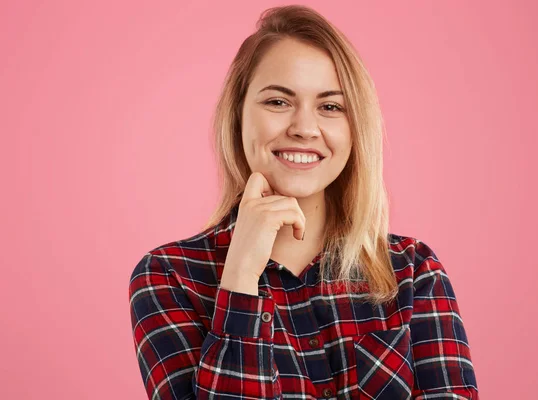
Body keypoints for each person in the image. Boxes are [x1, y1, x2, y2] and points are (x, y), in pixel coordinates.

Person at [128, 5, 479, 399]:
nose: (305, 128)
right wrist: (241, 277)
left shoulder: (413, 273)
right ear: (238, 115)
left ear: (355, 127)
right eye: (278, 102)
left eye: (330, 107)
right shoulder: (168, 278)